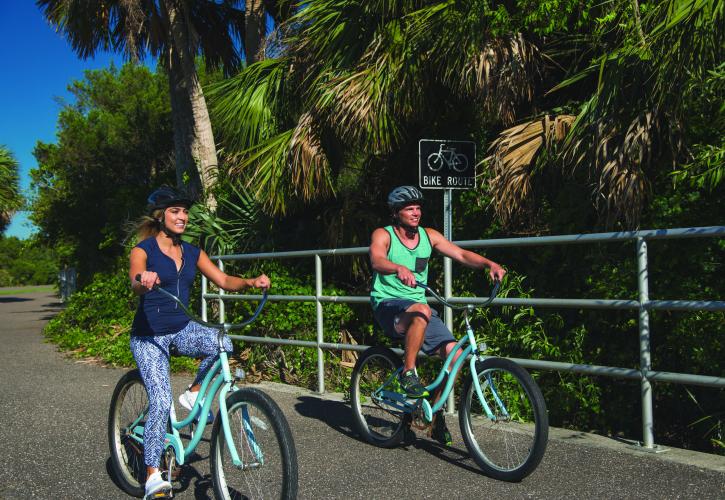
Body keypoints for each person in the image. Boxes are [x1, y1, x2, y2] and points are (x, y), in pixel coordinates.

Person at [129, 186, 270, 499]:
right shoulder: (144, 249)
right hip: (149, 336)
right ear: (160, 216)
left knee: (222, 341)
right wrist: (144, 280)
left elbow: (222, 280)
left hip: (181, 328)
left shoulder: (192, 251)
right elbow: (135, 279)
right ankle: (152, 473)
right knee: (161, 400)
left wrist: (249, 282)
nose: (183, 217)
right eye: (175, 211)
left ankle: (194, 393)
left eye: (185, 211)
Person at [369, 185, 506, 446]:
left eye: (418, 207)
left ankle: (434, 414)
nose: (416, 212)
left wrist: (489, 264)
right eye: (409, 208)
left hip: (417, 308)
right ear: (396, 213)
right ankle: (408, 372)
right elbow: (376, 259)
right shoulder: (383, 235)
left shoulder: (428, 236)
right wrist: (396, 267)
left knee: (455, 354)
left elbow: (461, 254)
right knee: (422, 309)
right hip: (388, 304)